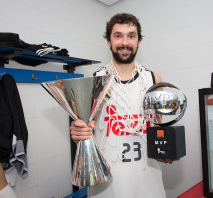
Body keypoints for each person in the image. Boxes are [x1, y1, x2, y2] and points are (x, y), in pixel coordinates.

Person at [70, 13, 173, 198]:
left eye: (131, 36)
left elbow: (158, 127)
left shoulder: (153, 79)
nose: (124, 42)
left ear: (139, 41)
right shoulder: (92, 81)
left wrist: (167, 147)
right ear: (108, 41)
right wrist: (79, 133)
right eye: (118, 36)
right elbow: (83, 132)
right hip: (107, 185)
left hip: (148, 180)